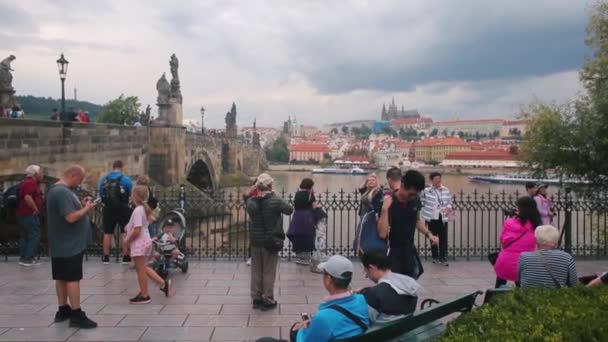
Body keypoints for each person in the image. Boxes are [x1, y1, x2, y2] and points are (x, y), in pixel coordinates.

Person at [46, 165, 97, 328]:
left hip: (61, 243)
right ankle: (76, 314)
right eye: (80, 180)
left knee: (61, 277)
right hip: (69, 244)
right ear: (73, 175)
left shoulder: (59, 191)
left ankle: (63, 310)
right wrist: (87, 209)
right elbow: (70, 217)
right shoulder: (61, 192)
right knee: (72, 279)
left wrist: (81, 205)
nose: (80, 183)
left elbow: (68, 212)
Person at [292, 255, 369, 342]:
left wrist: (302, 331)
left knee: (295, 330)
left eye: (324, 274)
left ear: (328, 279)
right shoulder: (361, 300)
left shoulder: (323, 317)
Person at [378, 170, 438, 279]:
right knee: (394, 287)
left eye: (415, 194)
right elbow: (382, 233)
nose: (412, 197)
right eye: (411, 194)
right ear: (403, 185)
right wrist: (384, 210)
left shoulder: (415, 200)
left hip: (409, 250)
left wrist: (429, 234)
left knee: (411, 284)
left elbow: (417, 220)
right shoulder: (388, 202)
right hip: (391, 253)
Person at [246, 173, 293, 311]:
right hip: (270, 241)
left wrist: (252, 190)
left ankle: (256, 299)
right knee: (268, 271)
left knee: (256, 271)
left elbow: (247, 196)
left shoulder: (251, 202)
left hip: (255, 241)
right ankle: (267, 299)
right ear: (270, 185)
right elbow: (289, 210)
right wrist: (275, 195)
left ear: (257, 187)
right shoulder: (275, 200)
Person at [125, 185, 172, 304]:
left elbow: (136, 230)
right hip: (145, 241)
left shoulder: (137, 210)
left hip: (139, 242)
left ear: (135, 196)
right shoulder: (144, 209)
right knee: (144, 267)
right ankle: (163, 284)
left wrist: (127, 240)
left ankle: (145, 295)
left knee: (140, 269)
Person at [359, 249, 420, 324]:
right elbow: (391, 291)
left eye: (366, 271)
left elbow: (366, 321)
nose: (366, 276)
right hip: (406, 328)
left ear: (372, 268)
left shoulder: (374, 294)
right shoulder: (410, 282)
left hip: (384, 334)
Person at [494, 196, 542, 287]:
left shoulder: (509, 222)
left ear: (520, 209)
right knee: (521, 285)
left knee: (500, 282)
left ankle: (494, 297)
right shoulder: (537, 227)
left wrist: (515, 217)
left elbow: (504, 241)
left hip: (505, 263)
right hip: (526, 265)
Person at [99, 160, 134, 265]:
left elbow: (101, 194)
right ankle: (125, 257)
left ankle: (106, 257)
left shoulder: (104, 180)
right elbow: (131, 195)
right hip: (123, 208)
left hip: (108, 208)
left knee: (107, 232)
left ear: (113, 167)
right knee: (124, 232)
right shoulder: (126, 179)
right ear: (122, 167)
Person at [422, 172, 453, 266]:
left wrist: (449, 206)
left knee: (443, 238)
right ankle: (435, 256)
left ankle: (443, 257)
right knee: (433, 238)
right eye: (436, 179)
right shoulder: (427, 191)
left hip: (442, 217)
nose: (438, 181)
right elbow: (422, 202)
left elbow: (450, 201)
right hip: (431, 218)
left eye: (439, 179)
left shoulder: (446, 190)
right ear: (432, 180)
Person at [16, 165, 44, 266]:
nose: (42, 174)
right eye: (41, 172)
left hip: (23, 214)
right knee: (34, 235)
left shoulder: (27, 182)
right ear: (35, 173)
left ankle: (23, 258)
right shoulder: (30, 183)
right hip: (29, 214)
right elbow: (28, 197)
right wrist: (35, 209)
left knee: (25, 236)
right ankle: (28, 258)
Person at [287, 178, 318, 265]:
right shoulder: (309, 194)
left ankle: (299, 256)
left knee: (298, 236)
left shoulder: (297, 194)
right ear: (310, 186)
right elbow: (314, 206)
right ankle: (306, 257)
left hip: (297, 217)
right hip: (307, 217)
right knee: (308, 236)